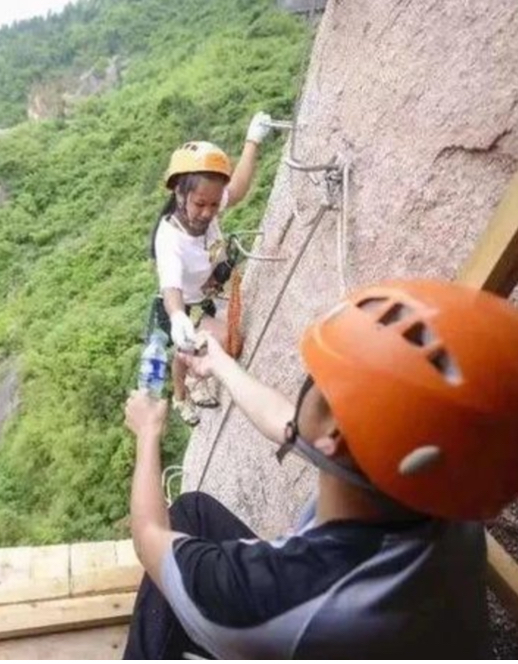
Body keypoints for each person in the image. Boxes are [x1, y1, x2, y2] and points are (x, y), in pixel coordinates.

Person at [120, 279, 518, 658]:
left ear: (334, 435)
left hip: (306, 626)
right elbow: (289, 422)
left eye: (318, 378)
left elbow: (148, 537)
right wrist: (220, 365)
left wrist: (148, 433)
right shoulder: (443, 480)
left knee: (173, 548)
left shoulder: (269, 597)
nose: (307, 383)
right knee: (191, 511)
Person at [150, 112, 272, 425]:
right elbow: (171, 287)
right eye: (200, 204)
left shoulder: (210, 199)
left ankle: (188, 376)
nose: (208, 212)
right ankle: (182, 393)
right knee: (215, 344)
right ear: (179, 193)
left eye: (214, 205)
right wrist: (177, 317)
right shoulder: (170, 239)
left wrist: (252, 140)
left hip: (208, 293)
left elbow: (240, 187)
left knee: (211, 343)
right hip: (186, 306)